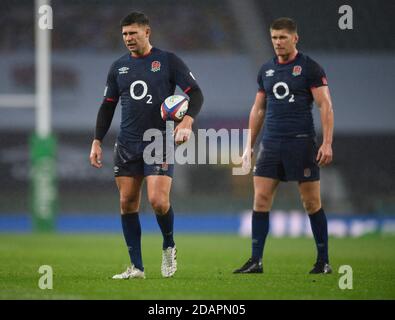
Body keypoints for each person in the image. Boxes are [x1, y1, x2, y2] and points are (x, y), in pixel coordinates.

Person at [89, 12, 203, 279]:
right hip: (127, 143)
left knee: (158, 201)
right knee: (127, 202)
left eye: (133, 33)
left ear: (147, 32)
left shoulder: (167, 61)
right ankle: (137, 267)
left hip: (158, 140)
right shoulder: (118, 67)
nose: (128, 38)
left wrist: (186, 122)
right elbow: (107, 107)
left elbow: (195, 93)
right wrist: (96, 140)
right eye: (125, 34)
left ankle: (168, 245)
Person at [234, 17, 334, 274]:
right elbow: (258, 110)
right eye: (274, 38)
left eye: (283, 38)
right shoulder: (266, 70)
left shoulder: (310, 68)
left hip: (301, 142)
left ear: (295, 38)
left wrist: (327, 142)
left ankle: (323, 261)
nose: (278, 43)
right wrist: (249, 146)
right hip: (271, 143)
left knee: (311, 202)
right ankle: (256, 260)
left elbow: (325, 105)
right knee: (261, 198)